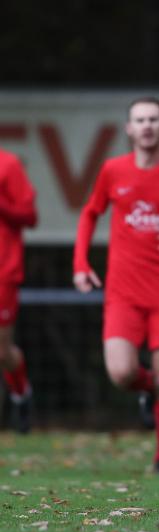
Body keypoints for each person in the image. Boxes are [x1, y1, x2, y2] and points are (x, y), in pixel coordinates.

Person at [73, 97, 159, 474]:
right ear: (129, 129)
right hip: (123, 293)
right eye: (140, 120)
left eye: (153, 119)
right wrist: (81, 263)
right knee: (121, 374)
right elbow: (89, 214)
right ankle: (150, 392)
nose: (147, 125)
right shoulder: (112, 171)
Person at [0, 148, 38, 433]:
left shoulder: (9, 164)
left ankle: (21, 393)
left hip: (3, 270)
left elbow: (29, 215)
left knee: (2, 350)